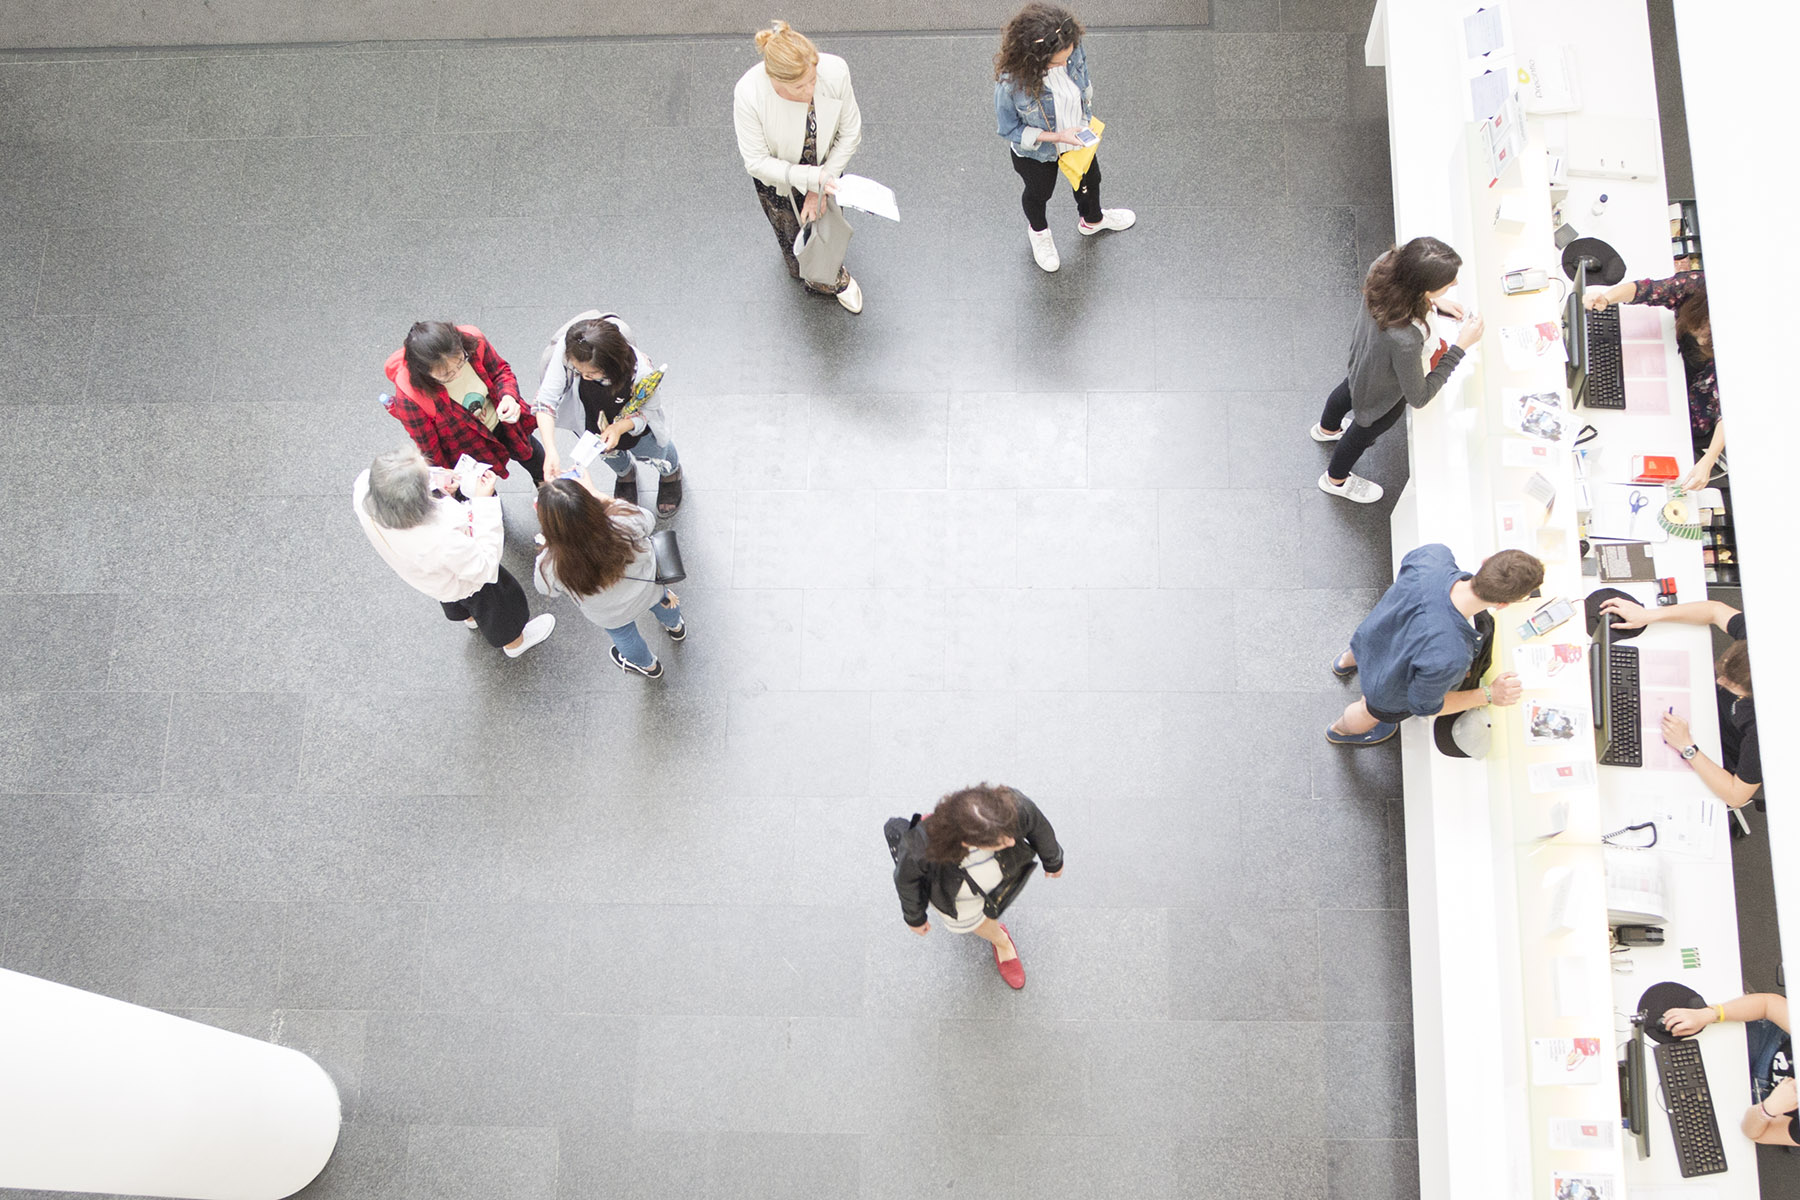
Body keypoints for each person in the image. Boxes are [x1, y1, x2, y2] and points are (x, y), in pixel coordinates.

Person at [1310, 238, 1486, 503]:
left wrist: (1434, 303)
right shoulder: (1405, 338)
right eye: (1448, 283)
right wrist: (1460, 347)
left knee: (1348, 389)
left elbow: (1405, 294)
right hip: (1382, 386)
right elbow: (1419, 396)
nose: (1455, 285)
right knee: (1363, 430)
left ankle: (1327, 430)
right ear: (1423, 286)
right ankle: (1335, 479)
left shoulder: (1383, 265)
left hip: (1364, 357)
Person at [353, 444, 554, 658]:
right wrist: (484, 502)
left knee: (454, 599)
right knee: (498, 606)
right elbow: (484, 565)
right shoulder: (439, 537)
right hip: (467, 579)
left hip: (429, 577)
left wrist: (437, 482)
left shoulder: (364, 491)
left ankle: (470, 618)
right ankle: (515, 642)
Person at [1329, 545, 1544, 746]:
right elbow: (1425, 706)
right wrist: (1489, 694)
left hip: (1371, 638)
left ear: (1485, 561)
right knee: (1367, 711)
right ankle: (1340, 731)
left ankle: (1343, 664)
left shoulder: (1433, 557)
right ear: (1503, 604)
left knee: (1359, 650)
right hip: (1384, 690)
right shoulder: (1451, 655)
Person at [733, 20, 864, 313]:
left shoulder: (836, 71)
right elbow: (756, 160)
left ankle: (831, 275)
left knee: (828, 221)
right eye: (798, 86)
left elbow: (850, 132)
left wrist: (820, 185)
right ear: (773, 79)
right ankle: (809, 270)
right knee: (792, 232)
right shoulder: (749, 94)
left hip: (826, 167)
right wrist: (809, 178)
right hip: (781, 179)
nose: (809, 91)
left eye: (813, 80)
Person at [993, 4, 1134, 273]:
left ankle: (1093, 220)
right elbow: (1009, 130)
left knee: (1091, 180)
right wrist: (1058, 136)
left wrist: (1084, 113)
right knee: (1039, 193)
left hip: (1077, 136)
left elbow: (1083, 78)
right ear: (1033, 57)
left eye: (1067, 57)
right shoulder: (1010, 84)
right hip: (1038, 152)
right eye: (1056, 62)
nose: (1063, 64)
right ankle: (1039, 232)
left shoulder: (1070, 47)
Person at [891, 784, 1063, 991]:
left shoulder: (1009, 808)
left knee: (995, 899)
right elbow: (906, 881)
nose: (1011, 842)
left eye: (1009, 833)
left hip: (1000, 871)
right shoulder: (920, 848)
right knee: (973, 920)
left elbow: (1036, 825)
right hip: (956, 891)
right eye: (1000, 841)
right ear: (968, 842)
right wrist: (915, 918)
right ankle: (1001, 941)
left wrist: (1053, 859)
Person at [1598, 596, 1760, 808]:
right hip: (1698, 707)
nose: (1720, 680)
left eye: (1729, 682)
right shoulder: (1758, 645)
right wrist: (1649, 615)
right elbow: (1715, 610)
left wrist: (1687, 747)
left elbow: (1736, 796)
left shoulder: (1764, 732)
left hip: (1712, 754)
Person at [532, 468, 684, 680]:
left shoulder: (550, 564)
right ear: (589, 503)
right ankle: (676, 627)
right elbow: (649, 520)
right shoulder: (622, 520)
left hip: (609, 613)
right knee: (665, 603)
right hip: (649, 586)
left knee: (624, 637)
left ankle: (650, 667)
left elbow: (544, 588)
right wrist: (598, 493)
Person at [531, 310, 682, 516]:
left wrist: (620, 427)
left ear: (612, 365)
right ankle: (625, 475)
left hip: (635, 425)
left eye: (591, 373)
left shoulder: (642, 372)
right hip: (593, 420)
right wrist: (551, 450)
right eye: (578, 371)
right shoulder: (570, 351)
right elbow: (546, 400)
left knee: (657, 451)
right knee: (609, 454)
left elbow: (648, 411)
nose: (583, 376)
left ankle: (670, 473)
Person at [1585, 271, 1720, 490]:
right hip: (1667, 370)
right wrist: (1607, 298)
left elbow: (1729, 411)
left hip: (1692, 412)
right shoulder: (1700, 286)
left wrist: (1709, 459)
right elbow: (1646, 289)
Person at [384, 321, 548, 487]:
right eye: (446, 375)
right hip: (467, 446)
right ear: (424, 371)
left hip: (503, 421)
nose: (457, 374)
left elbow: (500, 371)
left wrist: (508, 397)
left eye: (461, 362)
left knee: (532, 455)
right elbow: (430, 447)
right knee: (479, 488)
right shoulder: (410, 397)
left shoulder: (473, 342)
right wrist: (446, 476)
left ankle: (545, 486)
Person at [1660, 991, 1796, 1147]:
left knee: (1675, 1111)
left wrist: (1768, 1109)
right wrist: (1709, 1015)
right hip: (1762, 1043)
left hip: (1755, 1099)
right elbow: (1767, 1005)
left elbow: (1757, 1133)